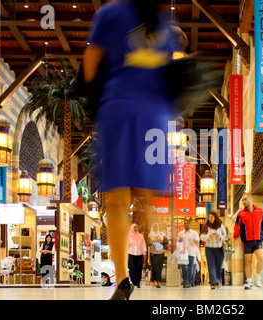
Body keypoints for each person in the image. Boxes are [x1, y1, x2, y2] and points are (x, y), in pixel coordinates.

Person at [83, 0, 179, 300]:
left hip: (119, 110)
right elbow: (172, 73)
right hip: (155, 117)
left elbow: (90, 63)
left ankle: (123, 277)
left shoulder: (111, 13)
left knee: (117, 198)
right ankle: (150, 227)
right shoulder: (166, 25)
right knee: (147, 192)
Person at [234, 193, 263, 289]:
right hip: (246, 241)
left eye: (245, 199)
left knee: (261, 258)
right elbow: (237, 227)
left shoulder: (260, 211)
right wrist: (236, 238)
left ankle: (258, 276)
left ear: (251, 199)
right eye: (242, 200)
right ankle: (249, 281)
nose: (244, 201)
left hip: (258, 239)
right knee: (248, 261)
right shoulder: (241, 214)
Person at [200, 211, 226, 289]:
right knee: (211, 265)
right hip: (209, 248)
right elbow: (201, 237)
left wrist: (220, 237)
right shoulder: (207, 226)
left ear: (215, 217)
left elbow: (225, 235)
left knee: (218, 265)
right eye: (209, 217)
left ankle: (217, 280)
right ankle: (213, 283)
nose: (210, 219)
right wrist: (208, 236)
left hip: (219, 249)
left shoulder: (221, 226)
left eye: (212, 217)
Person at [177, 219, 199, 288]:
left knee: (190, 269)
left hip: (191, 253)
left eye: (187, 223)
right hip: (183, 253)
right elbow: (178, 242)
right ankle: (185, 282)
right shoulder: (180, 233)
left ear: (190, 224)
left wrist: (195, 240)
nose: (186, 224)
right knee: (184, 268)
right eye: (185, 223)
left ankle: (188, 283)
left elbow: (197, 240)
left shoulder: (194, 233)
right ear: (184, 224)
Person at [128, 223, 147, 288]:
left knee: (139, 268)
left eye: (137, 227)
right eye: (134, 227)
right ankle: (134, 282)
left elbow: (143, 245)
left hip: (139, 254)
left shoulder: (141, 236)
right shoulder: (128, 235)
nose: (136, 229)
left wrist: (144, 254)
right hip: (131, 254)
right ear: (132, 228)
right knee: (131, 268)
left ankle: (138, 282)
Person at [148, 223, 165, 288]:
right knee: (154, 267)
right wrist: (155, 240)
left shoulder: (161, 234)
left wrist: (160, 241)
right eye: (154, 227)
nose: (155, 228)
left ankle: (158, 281)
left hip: (160, 253)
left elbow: (165, 242)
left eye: (156, 226)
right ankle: (154, 280)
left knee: (159, 267)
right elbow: (149, 242)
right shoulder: (150, 235)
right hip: (153, 253)